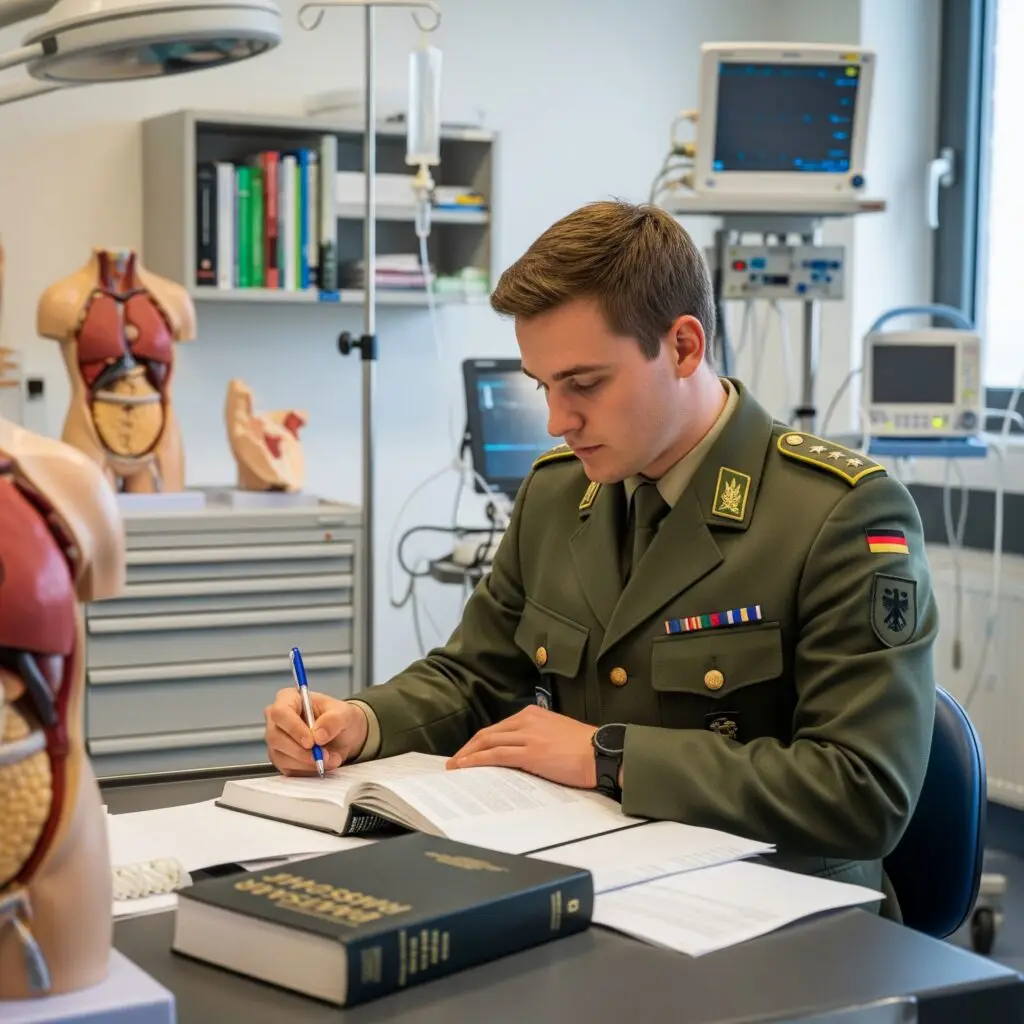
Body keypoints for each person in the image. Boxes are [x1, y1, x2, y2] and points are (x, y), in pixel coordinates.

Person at [263, 199, 938, 917]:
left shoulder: (839, 514)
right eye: (544, 387)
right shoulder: (560, 494)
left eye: (583, 384)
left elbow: (862, 791)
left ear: (683, 347)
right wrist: (361, 722)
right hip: (598, 894)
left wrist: (608, 756)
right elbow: (475, 678)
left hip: (781, 920)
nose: (558, 421)